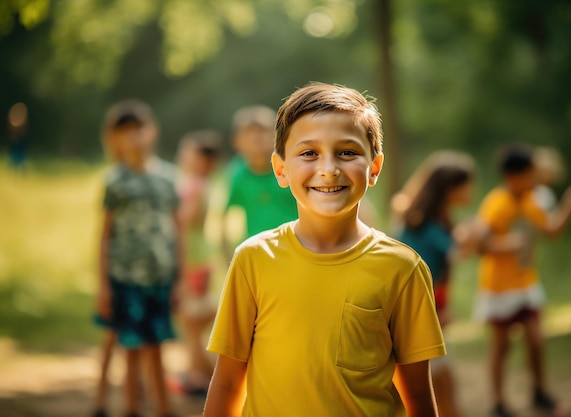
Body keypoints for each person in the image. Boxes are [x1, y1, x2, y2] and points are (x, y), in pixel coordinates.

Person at [203, 82, 446, 417]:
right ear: (281, 169)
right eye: (308, 153)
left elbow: (417, 392)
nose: (328, 168)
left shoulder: (403, 268)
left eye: (347, 152)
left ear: (373, 168)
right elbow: (228, 382)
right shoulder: (253, 259)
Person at [474, 143, 571, 417]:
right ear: (513, 176)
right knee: (501, 346)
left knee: (536, 339)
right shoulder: (496, 203)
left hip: (526, 284)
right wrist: (509, 245)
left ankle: (540, 392)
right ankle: (498, 402)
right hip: (499, 288)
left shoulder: (532, 201)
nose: (536, 180)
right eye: (531, 174)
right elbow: (482, 244)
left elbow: (551, 231)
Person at [96, 99, 182, 417]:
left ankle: (163, 410)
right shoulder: (114, 182)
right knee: (131, 350)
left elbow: (179, 232)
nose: (134, 137)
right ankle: (130, 409)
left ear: (153, 131)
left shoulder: (168, 178)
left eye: (139, 129)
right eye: (126, 131)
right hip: (125, 278)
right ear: (114, 138)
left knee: (157, 349)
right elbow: (105, 236)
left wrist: (180, 278)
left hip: (159, 278)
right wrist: (103, 285)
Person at [393, 151, 477, 417]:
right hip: (413, 316)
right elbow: (453, 254)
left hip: (424, 313)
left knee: (442, 388)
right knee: (439, 391)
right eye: (466, 184)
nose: (470, 191)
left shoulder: (430, 220)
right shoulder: (423, 225)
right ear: (449, 189)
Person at [171, 130, 222, 395]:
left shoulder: (195, 186)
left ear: (202, 160)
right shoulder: (206, 184)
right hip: (199, 258)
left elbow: (184, 220)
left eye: (188, 152)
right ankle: (198, 375)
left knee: (190, 322)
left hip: (193, 261)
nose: (183, 156)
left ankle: (205, 378)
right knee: (190, 324)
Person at [221, 105, 298, 258]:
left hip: (299, 251)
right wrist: (229, 257)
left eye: (263, 130)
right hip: (259, 255)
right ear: (237, 141)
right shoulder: (236, 174)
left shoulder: (293, 167)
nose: (256, 138)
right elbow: (223, 218)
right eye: (249, 132)